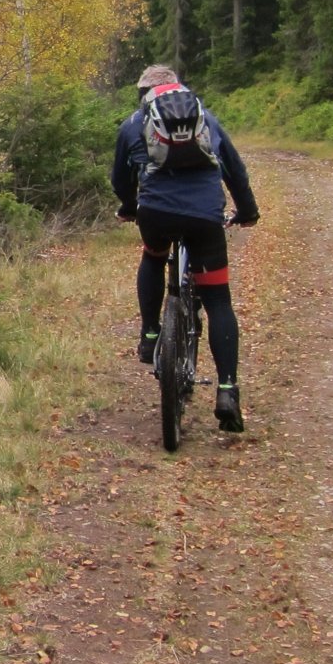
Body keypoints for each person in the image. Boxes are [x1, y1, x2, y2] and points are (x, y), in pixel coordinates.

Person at [111, 64, 260, 433]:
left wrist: (130, 207)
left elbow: (120, 177)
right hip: (205, 218)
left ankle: (149, 335)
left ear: (145, 91)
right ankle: (227, 390)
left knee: (153, 255)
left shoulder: (134, 122)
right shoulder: (206, 117)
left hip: (156, 214)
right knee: (218, 301)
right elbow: (235, 171)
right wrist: (247, 212)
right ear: (178, 87)